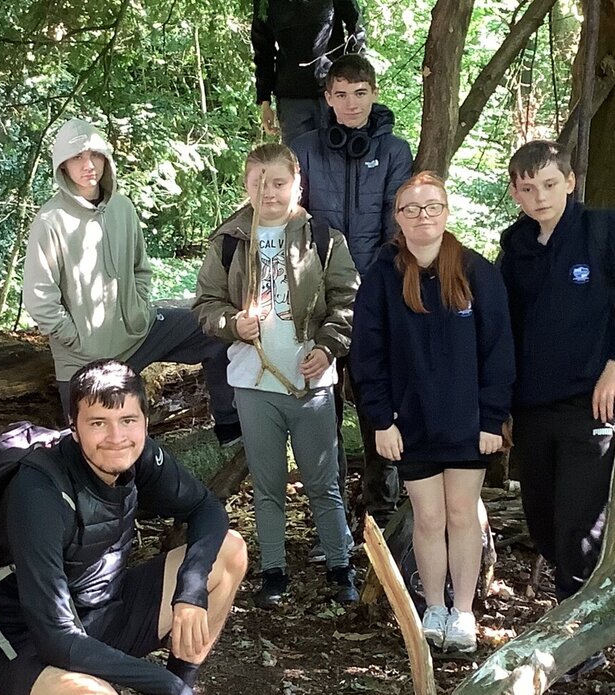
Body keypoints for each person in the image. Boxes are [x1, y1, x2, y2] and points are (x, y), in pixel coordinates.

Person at [0, 360, 253, 695]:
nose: (116, 437)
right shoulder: (39, 489)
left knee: (227, 551)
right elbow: (55, 637)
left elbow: (206, 510)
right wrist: (172, 686)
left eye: (128, 420)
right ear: (73, 425)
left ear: (144, 419)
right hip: (28, 641)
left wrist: (190, 592)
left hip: (105, 612)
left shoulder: (139, 457)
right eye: (98, 422)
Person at [497, 140, 615, 677]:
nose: (539, 197)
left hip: (591, 399)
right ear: (516, 193)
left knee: (579, 519)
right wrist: (498, 404)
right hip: (531, 403)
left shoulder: (606, 231)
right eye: (526, 188)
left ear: (569, 181)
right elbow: (503, 330)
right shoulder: (515, 246)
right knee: (542, 520)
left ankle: (584, 637)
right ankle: (568, 613)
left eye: (548, 184)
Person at [351, 172, 515, 652]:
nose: (423, 217)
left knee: (463, 515)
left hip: (468, 424)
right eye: (411, 209)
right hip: (409, 423)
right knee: (427, 518)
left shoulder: (476, 271)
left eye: (432, 207)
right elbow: (367, 355)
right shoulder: (383, 275)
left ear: (446, 212)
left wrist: (492, 418)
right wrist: (381, 419)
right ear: (397, 218)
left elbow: (499, 351)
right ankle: (434, 608)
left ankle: (462, 612)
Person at [193, 144, 358, 608]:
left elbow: (346, 300)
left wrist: (327, 349)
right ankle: (273, 572)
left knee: (324, 481)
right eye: (258, 183)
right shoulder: (229, 240)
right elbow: (206, 304)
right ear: (246, 186)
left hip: (311, 385)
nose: (268, 192)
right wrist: (233, 325)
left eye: (278, 182)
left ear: (297, 184)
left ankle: (340, 565)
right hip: (253, 383)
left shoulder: (323, 237)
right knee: (267, 485)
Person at [22, 118, 240, 443]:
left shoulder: (122, 207)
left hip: (139, 335)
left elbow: (141, 268)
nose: (87, 165)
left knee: (216, 329)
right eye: (76, 158)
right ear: (62, 166)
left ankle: (230, 425)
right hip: (84, 359)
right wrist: (77, 339)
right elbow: (40, 298)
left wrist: (137, 308)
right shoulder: (50, 220)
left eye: (94, 155)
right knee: (103, 446)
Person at [291, 53, 412, 533]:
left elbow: (397, 225)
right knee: (322, 407)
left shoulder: (396, 151)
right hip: (316, 301)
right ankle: (331, 514)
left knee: (378, 401)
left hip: (375, 298)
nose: (351, 103)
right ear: (327, 99)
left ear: (374, 93)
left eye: (360, 93)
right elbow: (291, 221)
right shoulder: (303, 148)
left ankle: (383, 512)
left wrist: (379, 292)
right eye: (340, 94)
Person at [252, 0, 365, 145]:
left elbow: (356, 27)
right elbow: (263, 50)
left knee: (339, 159)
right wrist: (264, 100)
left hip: (333, 93)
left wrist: (354, 77)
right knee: (297, 164)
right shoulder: (265, 3)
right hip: (291, 100)